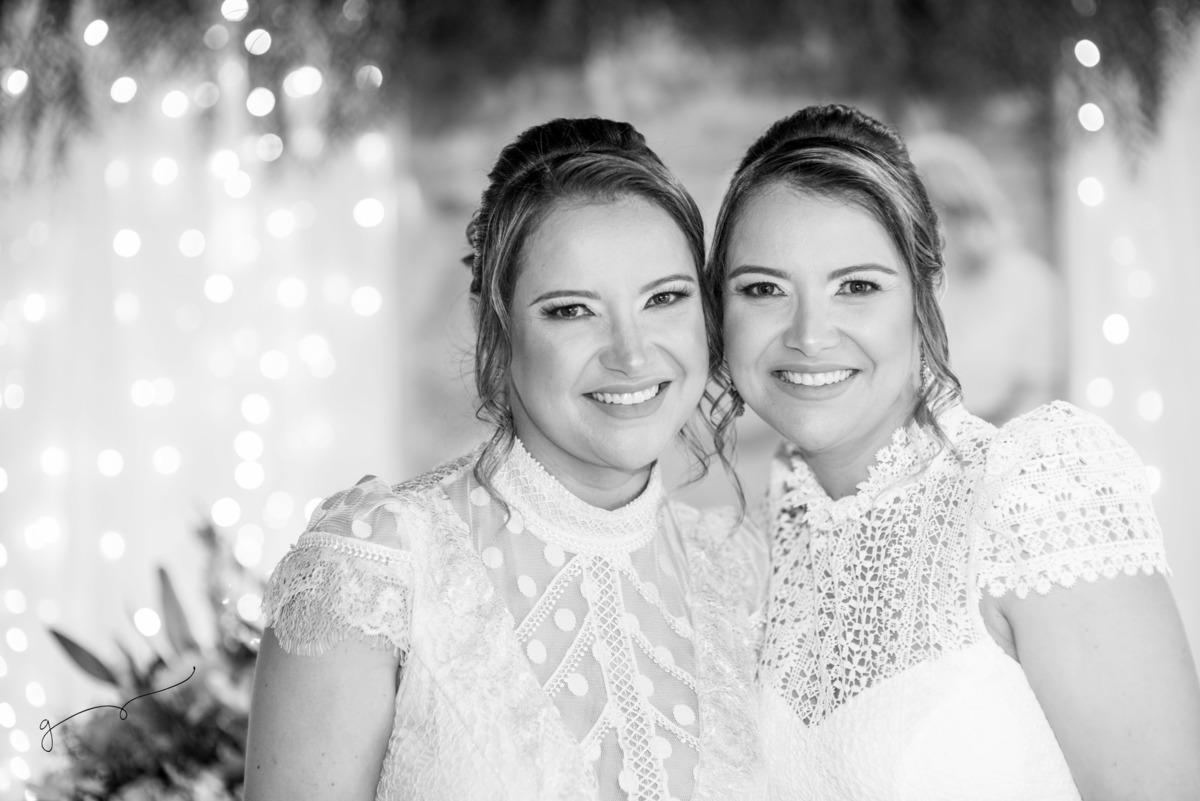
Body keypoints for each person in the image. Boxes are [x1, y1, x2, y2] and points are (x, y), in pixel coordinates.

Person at [244, 117, 766, 801]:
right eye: (572, 310)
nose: (632, 354)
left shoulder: (742, 573)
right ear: (496, 327)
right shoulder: (373, 573)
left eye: (664, 298)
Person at [707, 103, 1200, 800]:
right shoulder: (749, 549)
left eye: (857, 286)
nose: (809, 335)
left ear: (926, 295)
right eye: (763, 289)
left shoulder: (1036, 487)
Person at [907, 131, 1065, 423]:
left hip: (1008, 437)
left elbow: (1036, 390)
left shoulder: (1029, 283)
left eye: (943, 214)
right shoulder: (904, 286)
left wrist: (986, 445)